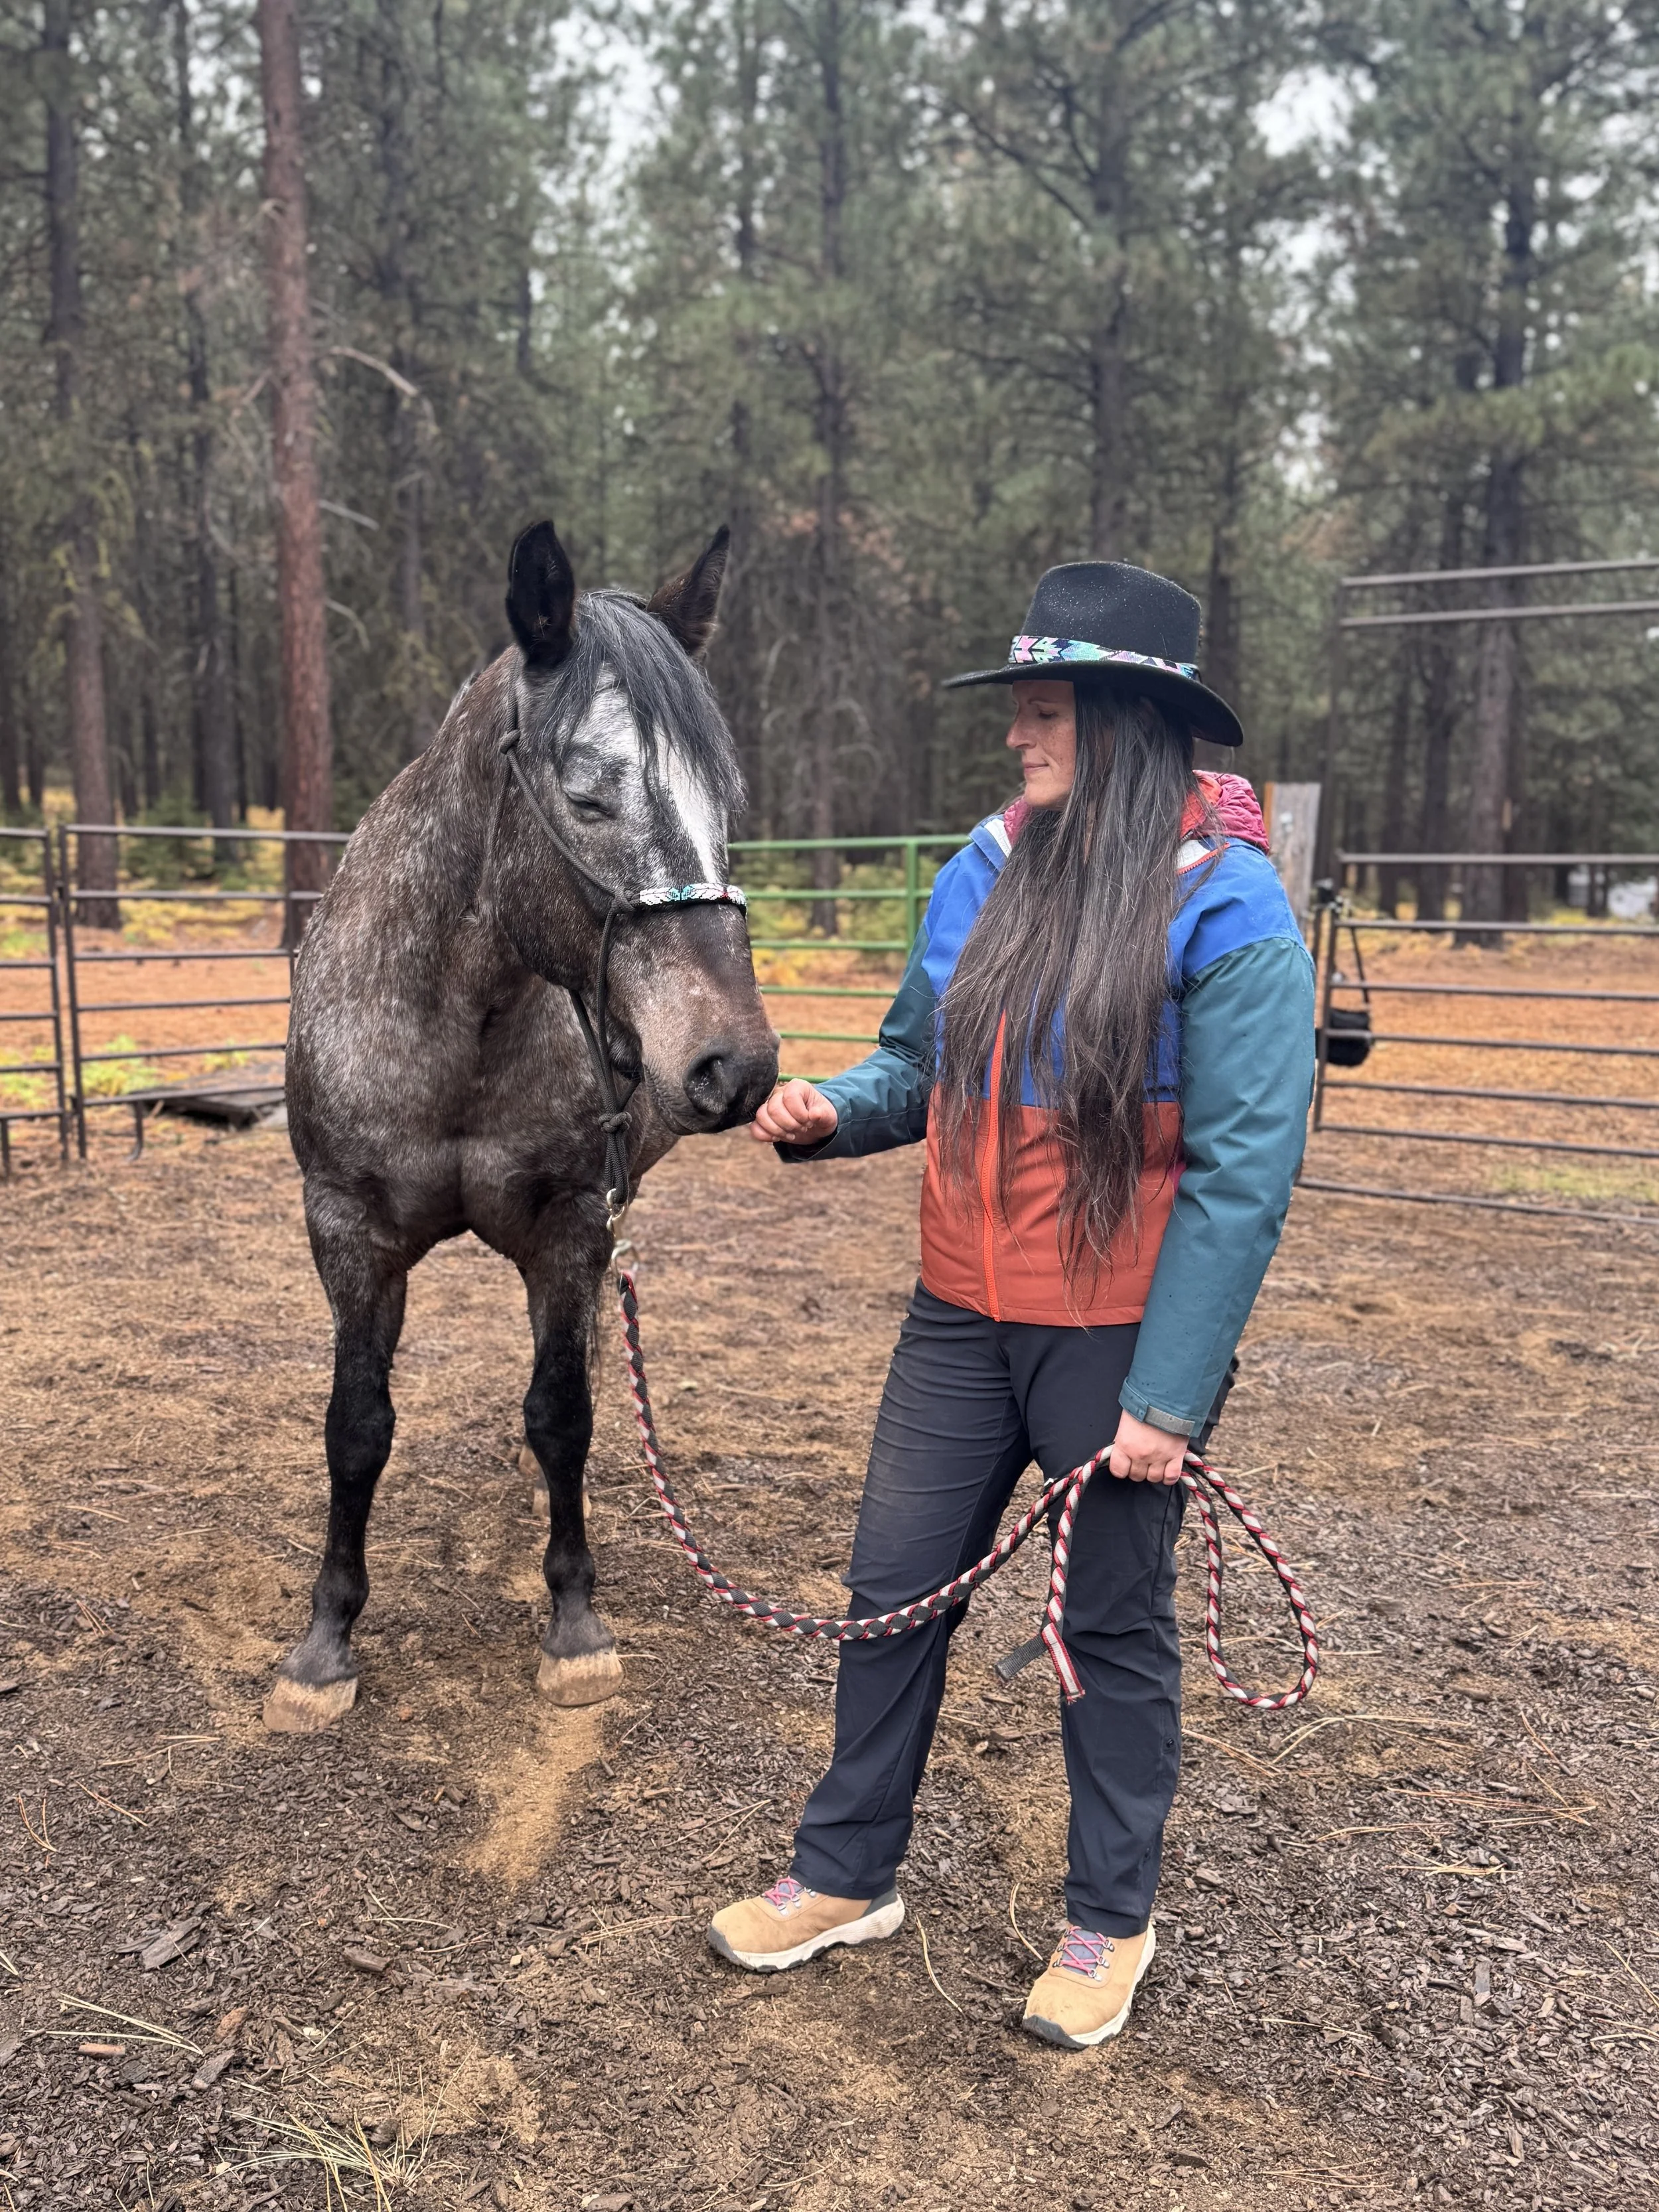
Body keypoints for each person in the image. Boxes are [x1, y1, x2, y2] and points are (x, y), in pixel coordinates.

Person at [707, 561, 1315, 2049]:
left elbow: (1241, 1176)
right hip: (955, 1315)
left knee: (1106, 1632)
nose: (1012, 738)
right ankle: (845, 1873)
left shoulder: (1227, 911)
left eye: (1039, 711)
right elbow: (915, 1063)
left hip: (1111, 1336)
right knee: (888, 1586)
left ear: (1117, 725)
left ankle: (1109, 1920)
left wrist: (1166, 1398)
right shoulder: (980, 868)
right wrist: (830, 1113)